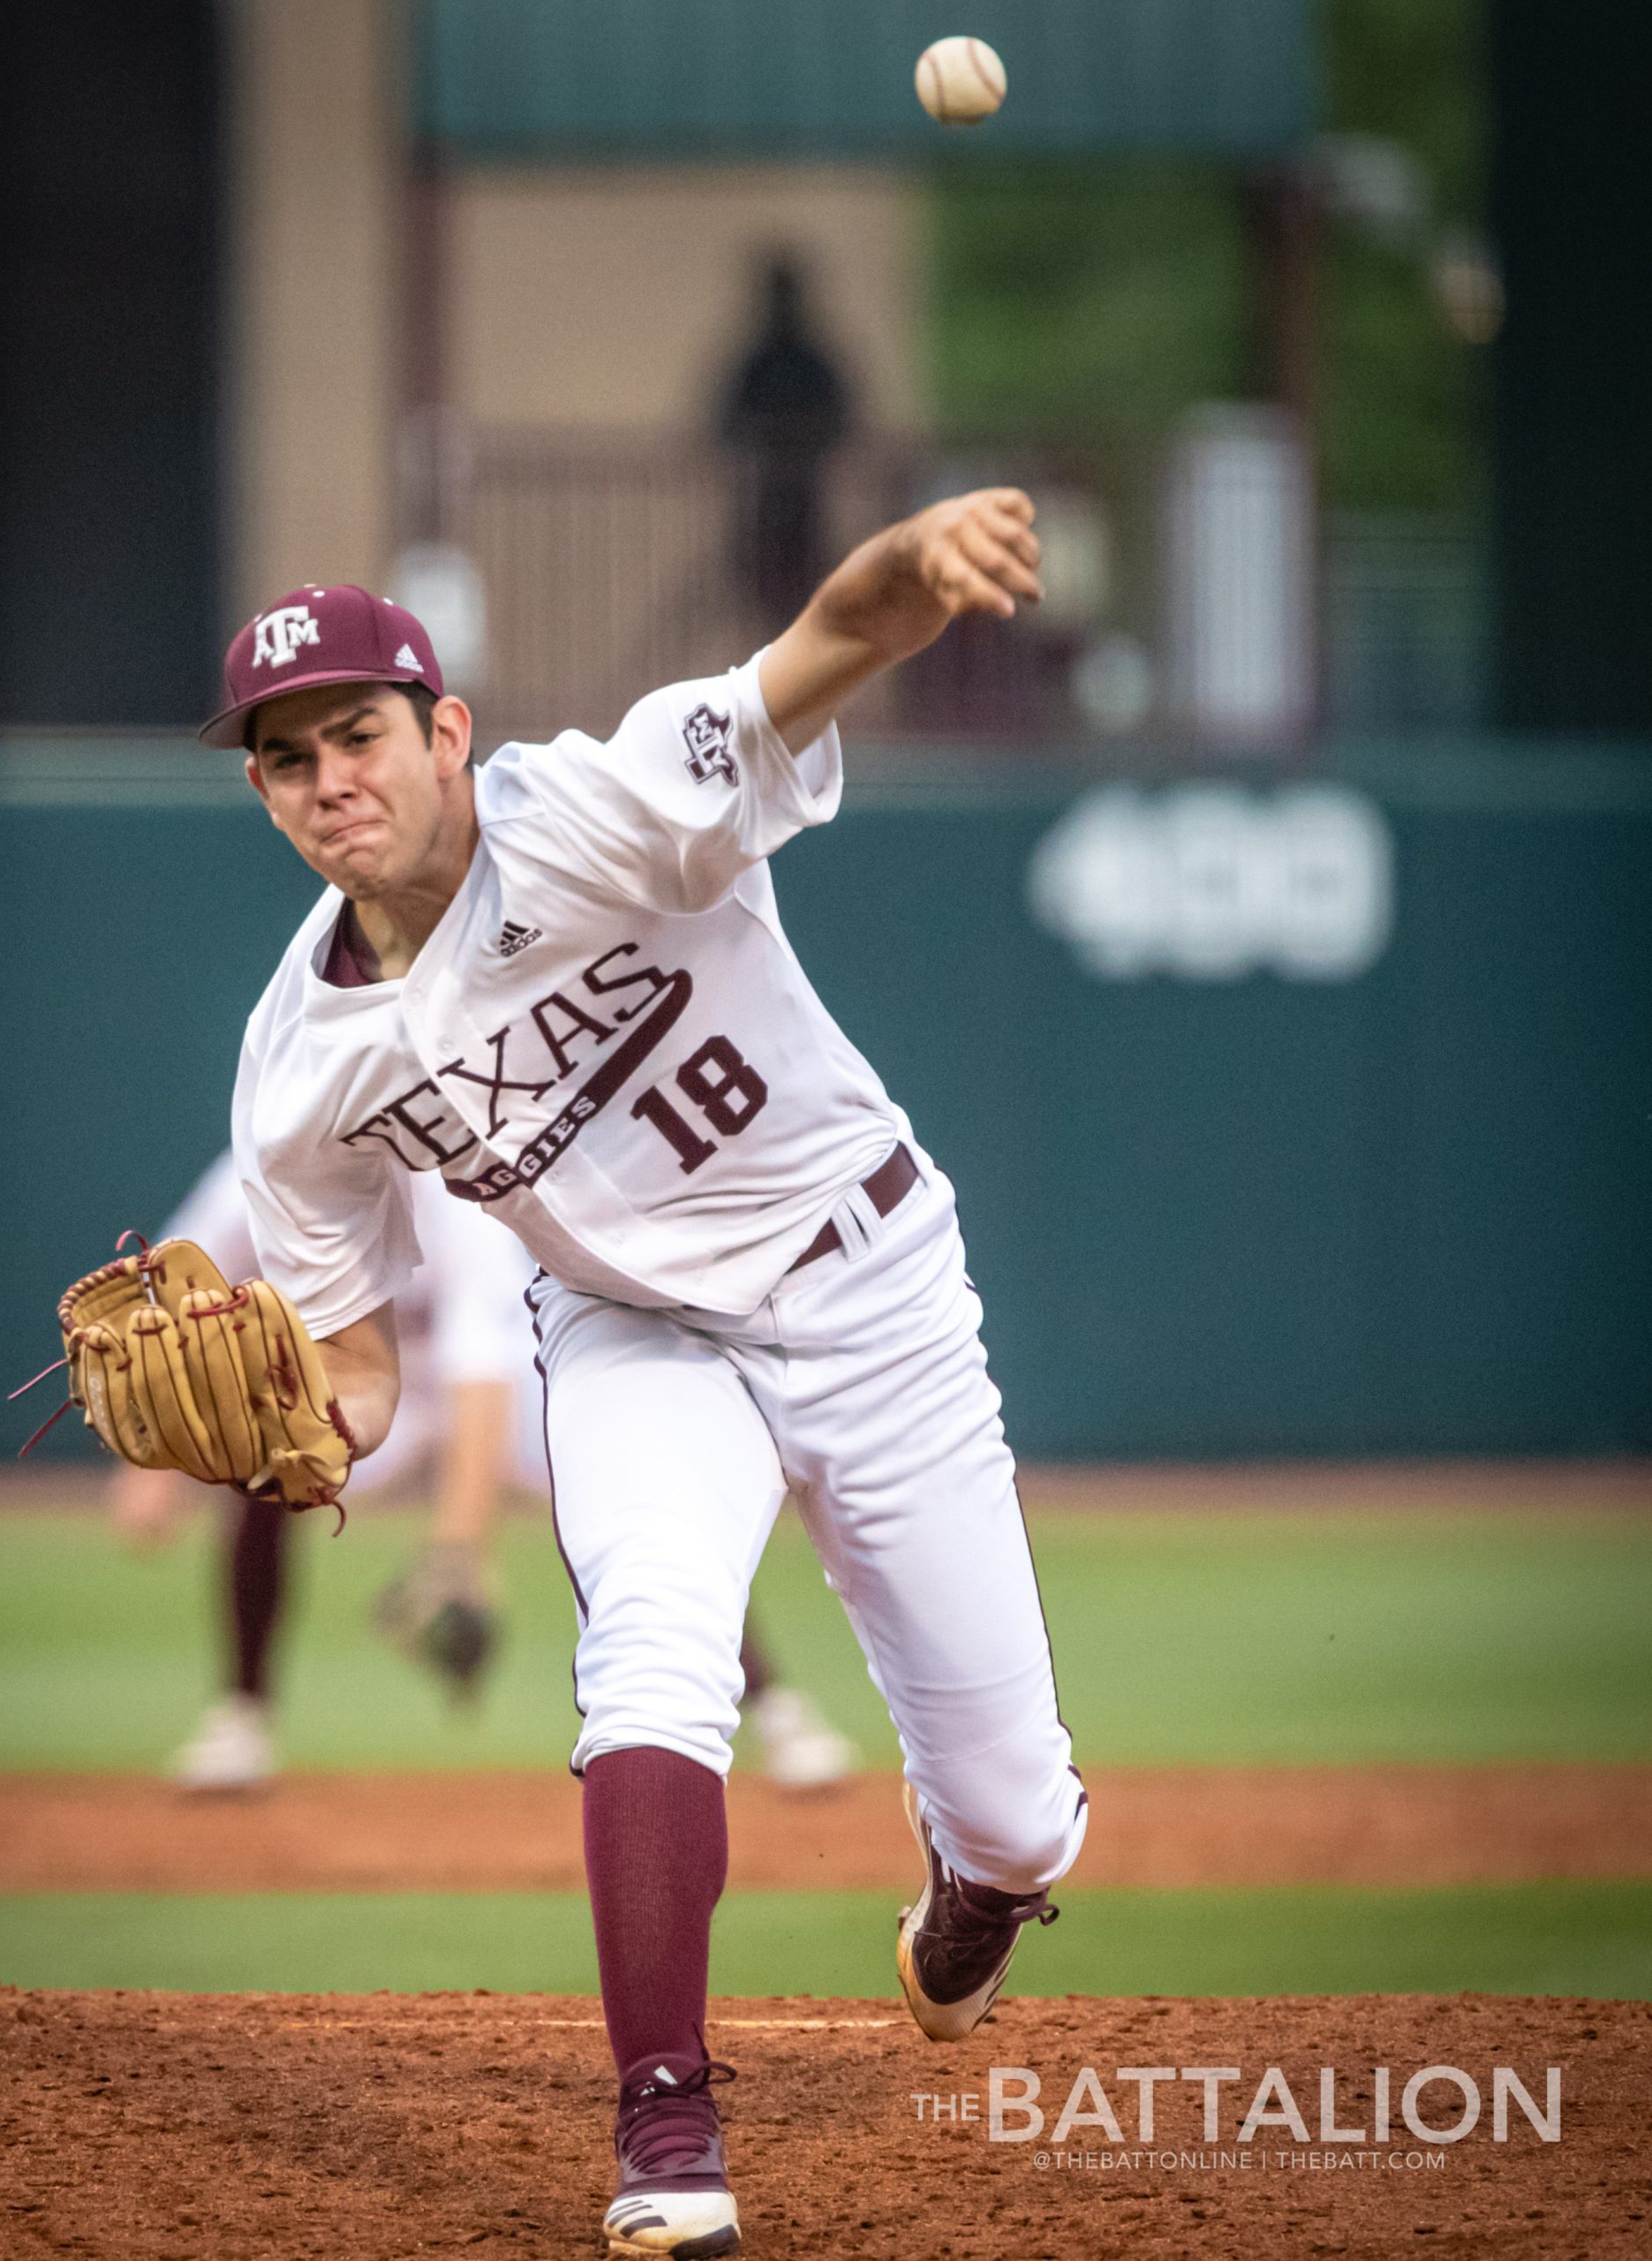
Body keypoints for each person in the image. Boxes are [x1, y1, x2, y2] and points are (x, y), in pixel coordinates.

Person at [204, 491, 1086, 2257]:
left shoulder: (593, 807)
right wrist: (309, 1433)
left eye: (359, 731)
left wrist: (913, 563)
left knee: (1019, 1809)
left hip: (873, 1286)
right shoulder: (296, 1070)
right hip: (634, 1337)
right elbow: (360, 1357)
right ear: (263, 789)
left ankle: (980, 1878)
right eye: (286, 756)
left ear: (444, 732)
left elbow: (815, 657)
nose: (328, 777)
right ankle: (665, 2112)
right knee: (652, 1651)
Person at [113, 1154, 857, 1797]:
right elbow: (158, 1307)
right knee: (267, 1451)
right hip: (360, 1381)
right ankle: (240, 1719)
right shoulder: (269, 1167)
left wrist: (459, 1550)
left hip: (510, 1377)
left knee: (634, 1496)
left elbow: (481, 1376)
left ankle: (776, 1710)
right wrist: (148, 1469)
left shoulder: (446, 1184)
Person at [718, 253, 853, 631]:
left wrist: (795, 440)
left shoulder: (809, 360)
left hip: (803, 506)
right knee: (769, 599)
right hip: (764, 508)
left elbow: (843, 420)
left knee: (803, 599)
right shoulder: (759, 361)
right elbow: (723, 425)